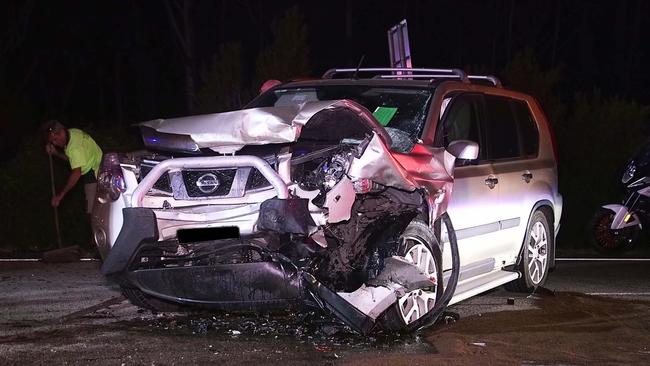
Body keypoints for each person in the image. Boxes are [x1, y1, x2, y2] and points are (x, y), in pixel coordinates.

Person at [41, 120, 103, 213]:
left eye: (54, 139)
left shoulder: (74, 148)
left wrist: (60, 196)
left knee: (93, 213)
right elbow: (73, 159)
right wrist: (56, 153)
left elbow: (76, 173)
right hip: (98, 164)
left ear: (61, 132)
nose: (54, 143)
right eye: (51, 141)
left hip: (95, 172)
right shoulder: (73, 133)